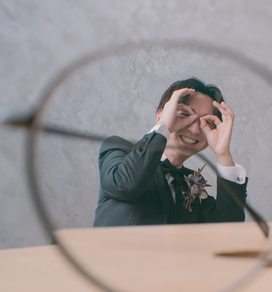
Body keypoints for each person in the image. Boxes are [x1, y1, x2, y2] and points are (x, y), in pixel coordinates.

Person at [93, 78, 248, 226]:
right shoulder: (118, 149)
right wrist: (163, 127)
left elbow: (226, 230)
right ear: (161, 115)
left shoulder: (192, 182)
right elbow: (126, 186)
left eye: (206, 122)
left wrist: (223, 155)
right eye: (186, 115)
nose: (195, 130)